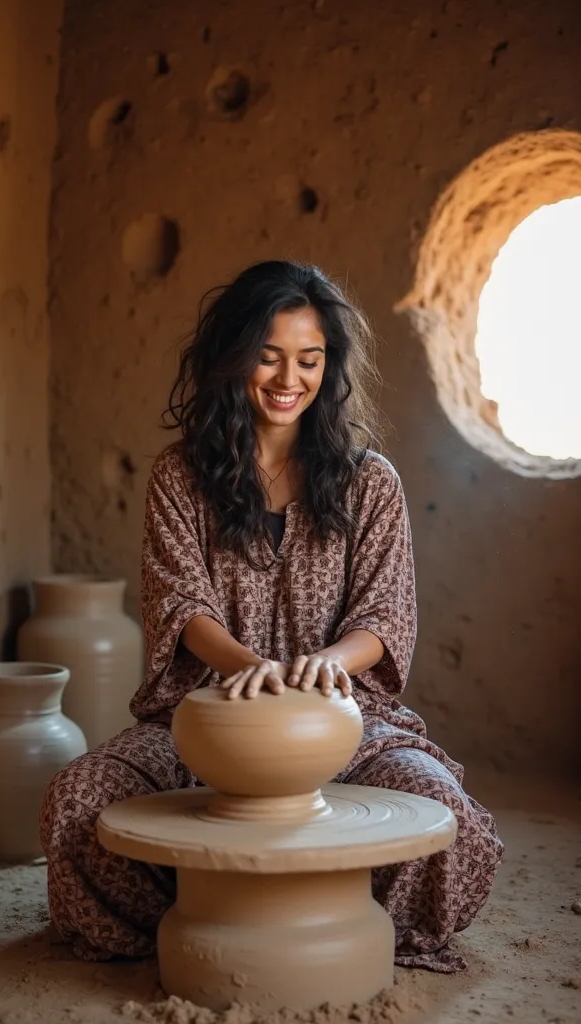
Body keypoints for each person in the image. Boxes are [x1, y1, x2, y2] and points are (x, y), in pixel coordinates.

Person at [40, 259, 503, 973]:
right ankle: (203, 906)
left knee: (451, 822)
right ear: (235, 358)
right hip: (199, 726)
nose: (290, 379)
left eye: (309, 360)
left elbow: (384, 615)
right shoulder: (180, 475)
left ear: (329, 367)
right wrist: (248, 669)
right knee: (77, 802)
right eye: (269, 356)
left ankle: (324, 912)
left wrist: (327, 665)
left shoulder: (370, 482)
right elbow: (180, 600)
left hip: (346, 724)